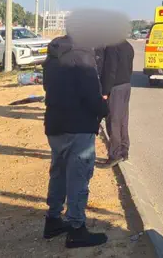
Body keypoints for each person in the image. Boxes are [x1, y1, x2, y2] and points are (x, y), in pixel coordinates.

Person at [42, 35, 110, 248]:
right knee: (79, 178)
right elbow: (92, 96)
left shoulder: (52, 55)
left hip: (55, 125)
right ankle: (76, 230)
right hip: (79, 127)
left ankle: (53, 220)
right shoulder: (83, 57)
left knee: (59, 173)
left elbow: (47, 88)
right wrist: (105, 110)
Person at [99, 39, 135, 167]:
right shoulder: (127, 45)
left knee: (113, 121)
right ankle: (124, 150)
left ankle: (115, 154)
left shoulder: (112, 46)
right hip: (126, 85)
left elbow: (110, 70)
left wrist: (105, 91)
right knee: (122, 120)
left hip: (115, 87)